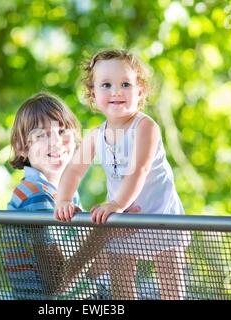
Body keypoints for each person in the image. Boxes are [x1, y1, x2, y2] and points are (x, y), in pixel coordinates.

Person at [54, 49, 188, 300]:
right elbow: (73, 169)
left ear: (140, 91)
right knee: (122, 291)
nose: (116, 91)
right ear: (93, 95)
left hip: (161, 218)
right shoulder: (95, 136)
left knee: (172, 292)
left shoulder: (145, 127)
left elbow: (140, 169)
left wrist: (116, 203)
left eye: (125, 84)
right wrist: (63, 200)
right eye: (106, 85)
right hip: (123, 222)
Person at [5, 92, 119, 299]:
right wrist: (102, 233)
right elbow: (56, 284)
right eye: (42, 135)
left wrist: (107, 230)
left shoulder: (64, 192)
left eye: (63, 131)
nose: (56, 142)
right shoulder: (35, 195)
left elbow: (85, 258)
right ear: (21, 147)